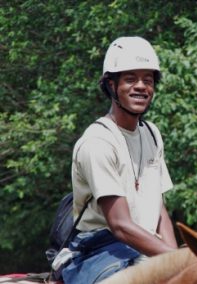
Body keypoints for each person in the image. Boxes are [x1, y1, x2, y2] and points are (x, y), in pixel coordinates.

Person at [61, 36, 178, 283]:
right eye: (130, 79)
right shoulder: (98, 142)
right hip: (99, 249)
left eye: (148, 80)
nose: (141, 86)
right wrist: (177, 259)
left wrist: (175, 260)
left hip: (145, 246)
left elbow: (159, 209)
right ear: (111, 86)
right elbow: (120, 225)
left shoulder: (152, 134)